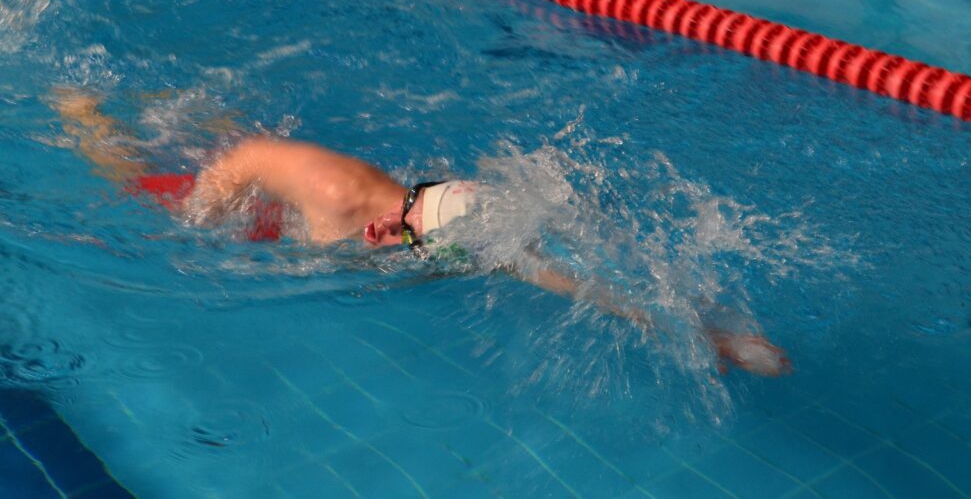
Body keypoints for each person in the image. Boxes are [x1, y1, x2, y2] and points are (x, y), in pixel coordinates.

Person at [53, 88, 792, 377]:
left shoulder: (436, 227)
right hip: (252, 177)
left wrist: (695, 332)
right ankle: (83, 112)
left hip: (306, 218)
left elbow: (564, 275)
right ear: (385, 226)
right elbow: (248, 160)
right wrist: (198, 217)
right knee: (146, 192)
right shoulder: (336, 191)